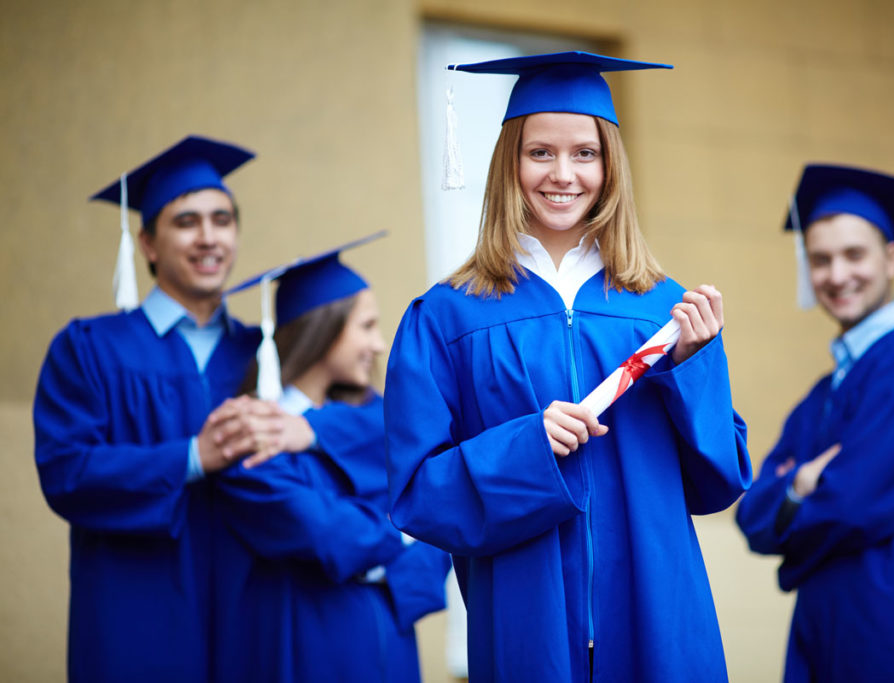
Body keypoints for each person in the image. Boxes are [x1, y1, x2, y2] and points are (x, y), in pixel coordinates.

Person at [384, 52, 752, 682]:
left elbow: (718, 480)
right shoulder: (448, 317)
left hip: (656, 615)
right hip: (525, 620)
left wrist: (687, 369)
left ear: (611, 166)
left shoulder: (663, 312)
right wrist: (526, 448)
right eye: (540, 153)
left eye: (586, 153)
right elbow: (416, 493)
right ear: (510, 163)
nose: (564, 173)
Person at [33, 136, 310, 682]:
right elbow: (66, 471)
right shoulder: (89, 348)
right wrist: (190, 456)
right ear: (148, 243)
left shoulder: (266, 355)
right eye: (187, 221)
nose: (209, 237)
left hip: (250, 612)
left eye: (222, 219)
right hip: (134, 615)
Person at [735, 163, 894, 682]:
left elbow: (855, 504)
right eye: (820, 260)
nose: (837, 275)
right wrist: (801, 488)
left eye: (854, 255)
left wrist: (793, 502)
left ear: (892, 258)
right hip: (820, 631)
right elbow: (751, 513)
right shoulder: (823, 392)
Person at [212, 238, 451, 683]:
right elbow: (327, 534)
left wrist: (411, 535)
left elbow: (439, 527)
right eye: (367, 326)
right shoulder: (254, 441)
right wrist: (403, 535)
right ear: (322, 329)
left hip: (392, 651)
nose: (379, 344)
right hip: (313, 648)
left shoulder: (372, 424)